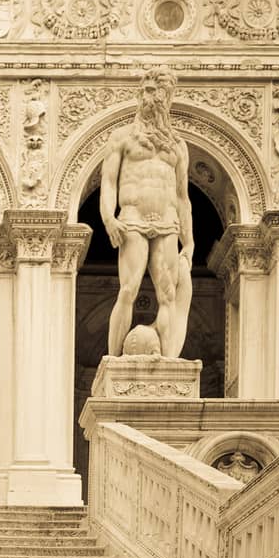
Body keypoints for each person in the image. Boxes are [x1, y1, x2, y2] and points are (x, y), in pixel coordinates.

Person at [99, 68, 194, 358]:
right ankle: (113, 361)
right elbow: (108, 181)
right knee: (128, 290)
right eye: (144, 91)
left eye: (154, 92)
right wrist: (108, 218)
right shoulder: (122, 137)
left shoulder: (178, 145)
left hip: (167, 223)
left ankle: (166, 360)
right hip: (132, 221)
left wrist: (188, 241)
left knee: (168, 296)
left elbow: (182, 196)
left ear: (167, 98)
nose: (147, 98)